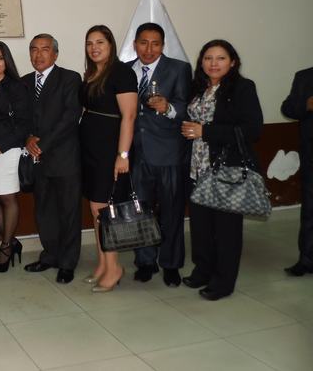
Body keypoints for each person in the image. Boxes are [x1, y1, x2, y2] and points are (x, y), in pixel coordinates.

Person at [181, 40, 263, 300]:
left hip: (226, 171)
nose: (213, 63)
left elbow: (253, 130)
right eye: (208, 58)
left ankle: (224, 282)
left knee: (227, 231)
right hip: (196, 168)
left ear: (233, 62)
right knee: (201, 227)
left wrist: (205, 132)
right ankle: (203, 270)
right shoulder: (198, 87)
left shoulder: (242, 88)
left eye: (220, 58)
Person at [126, 23, 192, 287]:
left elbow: (188, 106)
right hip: (135, 154)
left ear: (163, 46)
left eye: (155, 43)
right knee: (140, 210)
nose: (149, 49)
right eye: (143, 42)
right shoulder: (125, 70)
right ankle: (145, 261)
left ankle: (171, 264)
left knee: (171, 212)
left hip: (169, 154)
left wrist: (169, 108)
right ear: (135, 44)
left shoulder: (178, 69)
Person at [80, 25, 137, 292]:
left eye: (100, 42)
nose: (94, 48)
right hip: (90, 149)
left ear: (111, 44)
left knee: (104, 210)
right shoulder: (92, 73)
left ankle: (114, 268)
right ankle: (103, 264)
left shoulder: (121, 72)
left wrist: (122, 155)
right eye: (90, 43)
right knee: (96, 209)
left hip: (109, 149)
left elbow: (129, 116)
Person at [23, 34, 83, 284]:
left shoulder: (70, 78)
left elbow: (70, 117)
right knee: (44, 212)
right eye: (34, 49)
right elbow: (20, 117)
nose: (38, 54)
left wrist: (41, 144)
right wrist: (28, 138)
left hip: (64, 158)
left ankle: (67, 263)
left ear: (55, 54)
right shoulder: (25, 82)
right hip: (38, 161)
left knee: (69, 213)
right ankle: (50, 256)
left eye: (45, 49)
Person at [0, 41, 32, 273]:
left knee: (7, 198)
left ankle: (6, 247)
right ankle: (11, 241)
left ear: (7, 61)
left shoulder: (15, 86)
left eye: (0, 58)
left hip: (7, 149)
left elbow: (24, 124)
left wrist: (0, 146)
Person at [281, 66, 313, 276]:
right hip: (311, 155)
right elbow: (288, 108)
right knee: (310, 210)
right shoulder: (304, 76)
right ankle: (307, 259)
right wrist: (306, 105)